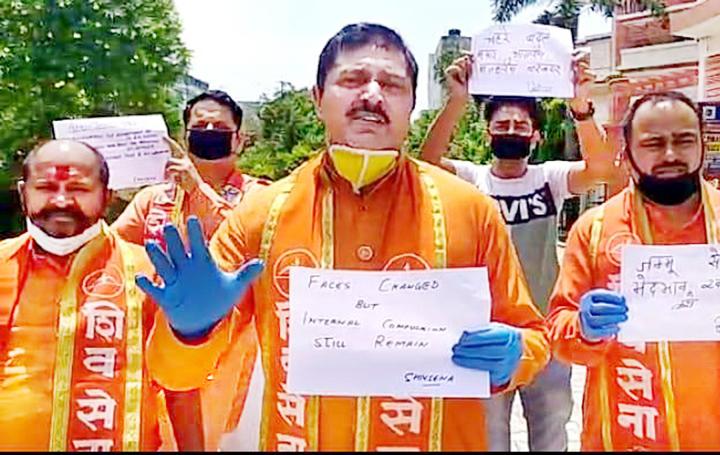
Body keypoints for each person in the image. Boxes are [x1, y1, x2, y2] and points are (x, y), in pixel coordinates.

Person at [136, 23, 551, 451]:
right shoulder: (260, 216)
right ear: (317, 98)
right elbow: (174, 374)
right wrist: (188, 332)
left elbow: (532, 335)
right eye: (351, 80)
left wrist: (515, 354)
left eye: (391, 84)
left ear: (411, 105)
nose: (371, 94)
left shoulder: (470, 209)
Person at [547, 91, 720, 451]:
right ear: (629, 152)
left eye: (684, 140)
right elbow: (559, 335)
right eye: (653, 143)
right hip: (628, 433)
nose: (670, 155)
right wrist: (585, 330)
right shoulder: (595, 231)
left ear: (702, 145)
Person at [420, 54, 616, 451]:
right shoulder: (471, 180)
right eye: (501, 125)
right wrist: (457, 100)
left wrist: (581, 106)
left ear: (537, 137)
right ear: (488, 134)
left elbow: (601, 169)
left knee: (551, 434)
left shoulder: (550, 179)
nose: (511, 131)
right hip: (484, 332)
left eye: (521, 125)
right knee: (488, 439)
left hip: (545, 331)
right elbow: (424, 164)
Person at [111, 90, 268, 451]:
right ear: (185, 137)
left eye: (219, 127)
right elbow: (111, 251)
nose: (209, 131)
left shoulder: (260, 197)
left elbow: (250, 250)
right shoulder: (153, 198)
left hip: (225, 349)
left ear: (239, 139)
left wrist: (197, 189)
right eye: (200, 126)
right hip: (151, 346)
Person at [0, 140, 167, 450]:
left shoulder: (151, 272)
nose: (61, 200)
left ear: (107, 196)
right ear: (24, 194)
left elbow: (181, 385)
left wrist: (195, 335)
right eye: (46, 187)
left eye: (78, 188)